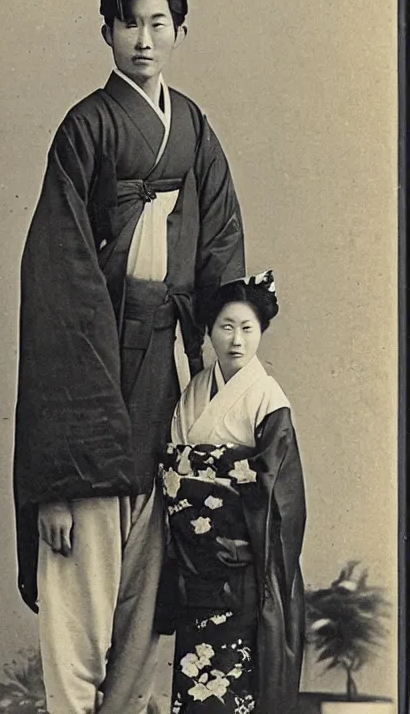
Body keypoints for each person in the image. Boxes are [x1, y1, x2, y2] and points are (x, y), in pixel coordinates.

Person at [12, 0, 246, 713]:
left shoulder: (196, 130)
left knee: (150, 608)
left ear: (179, 31)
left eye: (158, 24)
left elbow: (219, 252)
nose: (143, 40)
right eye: (128, 25)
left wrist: (216, 372)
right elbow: (60, 289)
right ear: (107, 33)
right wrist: (56, 476)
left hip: (163, 386)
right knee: (79, 598)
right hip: (94, 373)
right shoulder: (86, 129)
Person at [157, 270, 306, 714]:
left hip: (243, 566)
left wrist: (207, 473)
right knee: (195, 684)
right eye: (226, 327)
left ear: (261, 332)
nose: (236, 340)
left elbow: (280, 496)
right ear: (210, 331)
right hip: (195, 567)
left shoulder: (267, 398)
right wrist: (210, 472)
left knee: (236, 690)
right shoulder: (195, 392)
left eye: (247, 328)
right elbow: (173, 466)